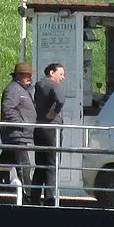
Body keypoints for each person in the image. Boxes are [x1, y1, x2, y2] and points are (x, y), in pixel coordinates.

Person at [0, 62, 36, 199]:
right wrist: (23, 124)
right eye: (27, 75)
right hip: (16, 134)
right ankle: (29, 197)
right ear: (20, 75)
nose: (29, 78)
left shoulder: (21, 90)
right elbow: (8, 109)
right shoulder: (13, 90)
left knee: (3, 166)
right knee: (24, 166)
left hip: (18, 134)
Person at [31, 62, 66, 203]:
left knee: (40, 164)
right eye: (61, 74)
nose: (63, 77)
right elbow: (61, 100)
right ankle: (50, 198)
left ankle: (34, 197)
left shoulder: (39, 86)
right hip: (52, 129)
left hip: (39, 128)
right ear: (52, 73)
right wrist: (55, 112)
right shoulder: (53, 85)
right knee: (52, 164)